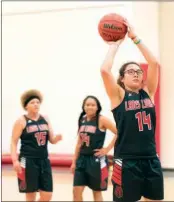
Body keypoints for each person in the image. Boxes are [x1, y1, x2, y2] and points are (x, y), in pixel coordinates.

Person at [100, 18, 164, 202]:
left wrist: (135, 38)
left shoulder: (148, 93)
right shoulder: (118, 96)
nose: (136, 73)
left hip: (151, 158)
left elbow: (153, 63)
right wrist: (114, 44)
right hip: (126, 161)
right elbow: (105, 70)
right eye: (130, 71)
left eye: (138, 71)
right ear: (121, 78)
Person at [11, 89, 62, 201]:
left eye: (37, 102)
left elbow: (51, 140)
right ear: (26, 106)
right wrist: (15, 160)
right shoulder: (21, 121)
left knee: (47, 195)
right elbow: (13, 142)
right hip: (27, 161)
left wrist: (56, 139)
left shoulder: (45, 119)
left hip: (44, 160)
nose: (36, 104)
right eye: (32, 102)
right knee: (31, 196)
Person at [71, 95, 117, 202]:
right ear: (84, 106)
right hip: (82, 159)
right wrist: (74, 161)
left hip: (96, 160)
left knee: (96, 192)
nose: (90, 107)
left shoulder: (102, 120)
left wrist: (107, 149)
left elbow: (118, 132)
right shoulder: (82, 120)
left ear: (97, 107)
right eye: (87, 105)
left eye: (93, 105)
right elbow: (79, 143)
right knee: (76, 191)